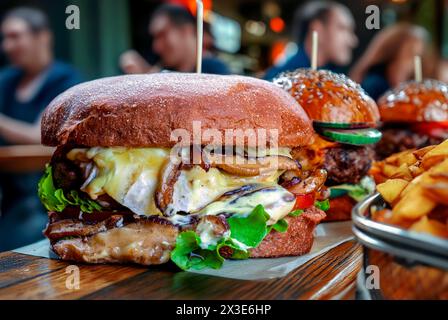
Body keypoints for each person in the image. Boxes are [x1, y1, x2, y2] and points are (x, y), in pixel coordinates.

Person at [0, 7, 82, 251]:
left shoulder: (66, 80)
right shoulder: (6, 80)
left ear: (42, 37)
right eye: (4, 38)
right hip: (8, 195)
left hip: (43, 200)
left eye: (15, 36)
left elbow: (41, 136)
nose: (7, 46)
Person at [120, 4, 230, 75]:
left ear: (185, 31)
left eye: (162, 35)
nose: (155, 47)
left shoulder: (215, 72)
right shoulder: (167, 71)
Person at [264, 1, 358, 80]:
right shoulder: (277, 81)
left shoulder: (337, 77)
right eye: (342, 28)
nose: (353, 42)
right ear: (318, 29)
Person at [350, 23, 435, 100]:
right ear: (393, 52)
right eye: (411, 54)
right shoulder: (374, 84)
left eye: (419, 56)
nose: (413, 64)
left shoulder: (406, 87)